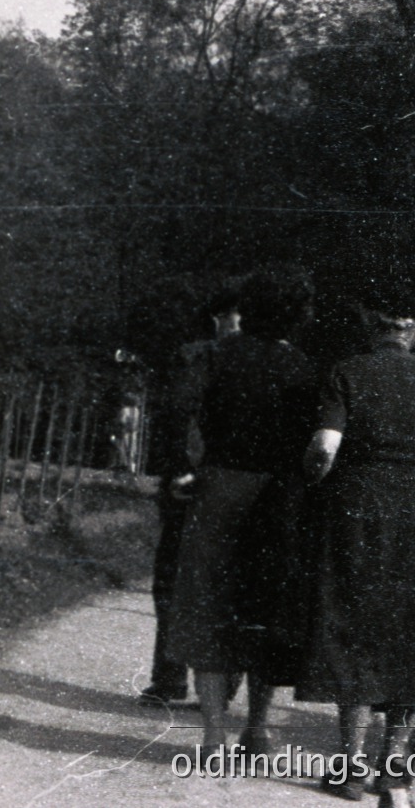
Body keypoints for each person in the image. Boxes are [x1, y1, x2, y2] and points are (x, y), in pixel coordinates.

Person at [299, 303, 415, 806]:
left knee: (354, 626)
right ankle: (392, 769)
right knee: (413, 633)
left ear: (371, 330)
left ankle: (350, 768)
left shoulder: (348, 371)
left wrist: (311, 486)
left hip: (361, 508)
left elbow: (325, 447)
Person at [166, 265, 317, 760]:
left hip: (220, 490)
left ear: (246, 311)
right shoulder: (302, 368)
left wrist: (183, 469)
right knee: (265, 611)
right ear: (295, 317)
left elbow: (178, 408)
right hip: (279, 498)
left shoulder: (217, 355)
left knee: (209, 606)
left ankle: (212, 736)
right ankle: (258, 730)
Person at [137, 287, 240, 707]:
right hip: (199, 484)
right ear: (217, 318)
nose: (237, 325)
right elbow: (172, 415)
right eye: (232, 315)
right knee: (177, 582)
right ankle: (173, 677)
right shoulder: (195, 357)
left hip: (219, 485)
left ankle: (206, 681)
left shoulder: (232, 359)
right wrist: (177, 468)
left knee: (214, 583)